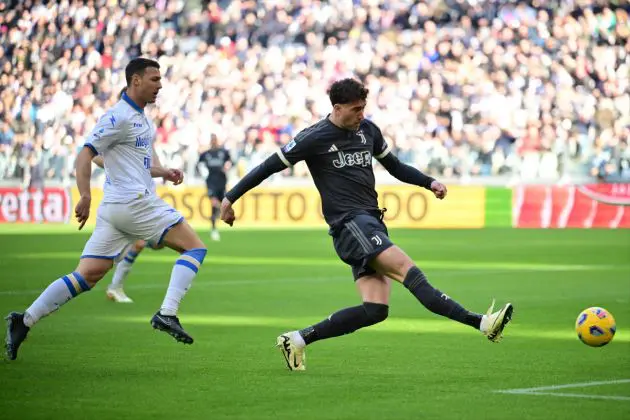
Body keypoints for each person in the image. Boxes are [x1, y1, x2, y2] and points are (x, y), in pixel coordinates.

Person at [220, 78, 513, 371]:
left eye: (363, 108)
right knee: (409, 272)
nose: (361, 114)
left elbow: (395, 167)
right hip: (350, 224)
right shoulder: (314, 137)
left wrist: (429, 182)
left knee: (375, 310)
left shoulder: (368, 130)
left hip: (370, 222)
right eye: (356, 109)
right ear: (337, 108)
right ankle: (482, 323)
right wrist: (230, 198)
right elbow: (267, 167)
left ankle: (297, 339)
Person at [4, 58, 208, 361]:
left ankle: (25, 320)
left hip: (116, 209)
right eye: (154, 79)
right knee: (195, 249)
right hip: (134, 203)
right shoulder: (118, 117)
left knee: (86, 275)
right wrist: (84, 195)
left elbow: (136, 165)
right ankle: (167, 313)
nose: (160, 85)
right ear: (135, 81)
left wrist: (164, 172)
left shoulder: (141, 118)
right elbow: (86, 154)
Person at [91, 154, 145, 304]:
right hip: (123, 201)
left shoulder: (144, 136)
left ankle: (115, 285)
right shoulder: (120, 135)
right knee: (140, 243)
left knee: (145, 243)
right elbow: (93, 155)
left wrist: (164, 172)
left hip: (142, 197)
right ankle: (115, 286)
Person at [197, 133, 232, 241]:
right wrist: (203, 173)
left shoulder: (223, 152)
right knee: (214, 204)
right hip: (211, 182)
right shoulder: (206, 154)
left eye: (215, 139)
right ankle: (213, 229)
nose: (214, 141)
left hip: (222, 182)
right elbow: (198, 165)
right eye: (212, 139)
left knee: (224, 205)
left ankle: (222, 222)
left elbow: (230, 161)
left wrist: (228, 165)